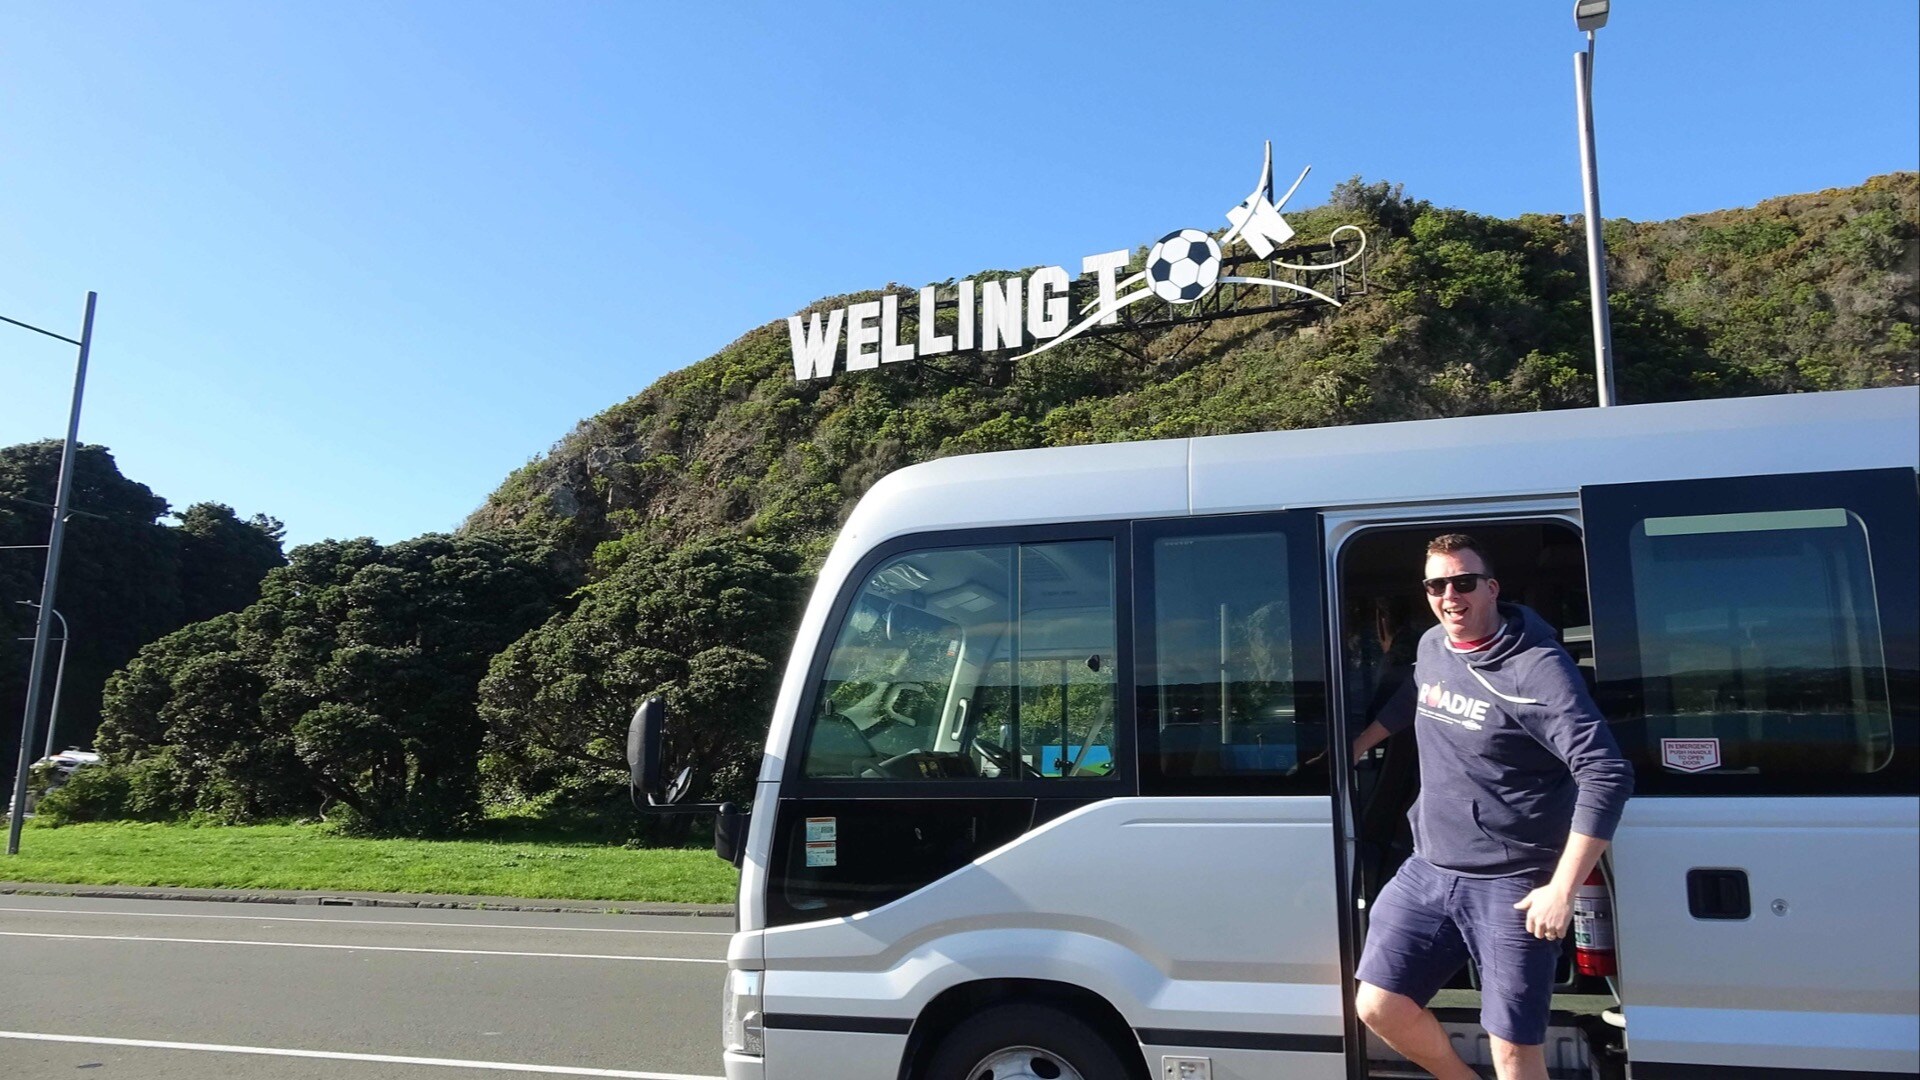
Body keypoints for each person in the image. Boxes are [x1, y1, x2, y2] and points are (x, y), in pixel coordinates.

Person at [1350, 533, 1633, 1080]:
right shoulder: (1434, 645)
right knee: (1378, 1007)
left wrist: (1562, 889)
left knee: (1513, 1051)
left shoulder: (1538, 667)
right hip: (1429, 869)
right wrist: (1358, 745)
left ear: (1492, 588)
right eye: (1436, 585)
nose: (1449, 596)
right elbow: (1416, 694)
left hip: (1513, 881)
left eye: (1463, 582)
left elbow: (1606, 772)